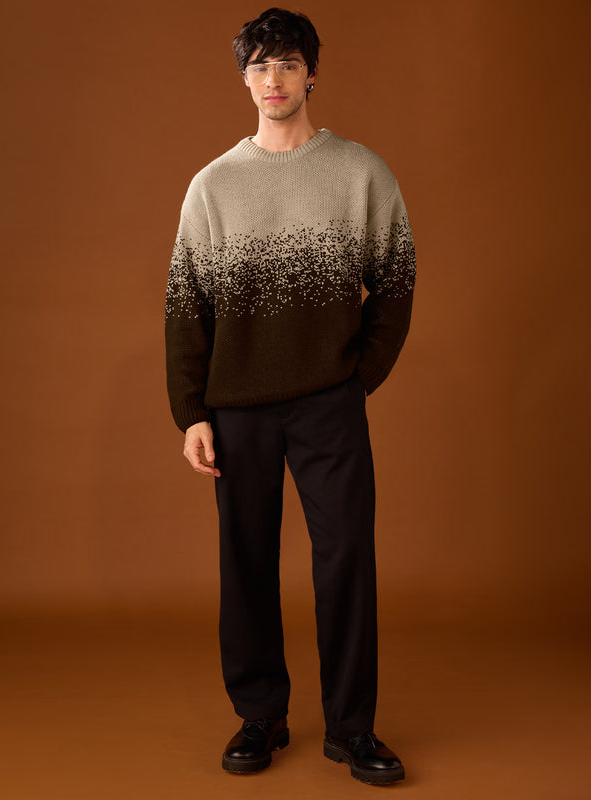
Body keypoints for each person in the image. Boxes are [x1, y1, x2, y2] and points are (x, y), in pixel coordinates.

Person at [165, 7, 416, 786]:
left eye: (288, 64)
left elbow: (398, 281)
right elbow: (184, 307)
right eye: (259, 66)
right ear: (244, 80)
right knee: (245, 562)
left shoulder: (361, 173)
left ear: (312, 75)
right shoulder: (213, 186)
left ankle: (352, 728)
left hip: (328, 402)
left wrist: (357, 377)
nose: (272, 79)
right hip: (236, 407)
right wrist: (191, 414)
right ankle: (260, 716)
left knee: (347, 561)